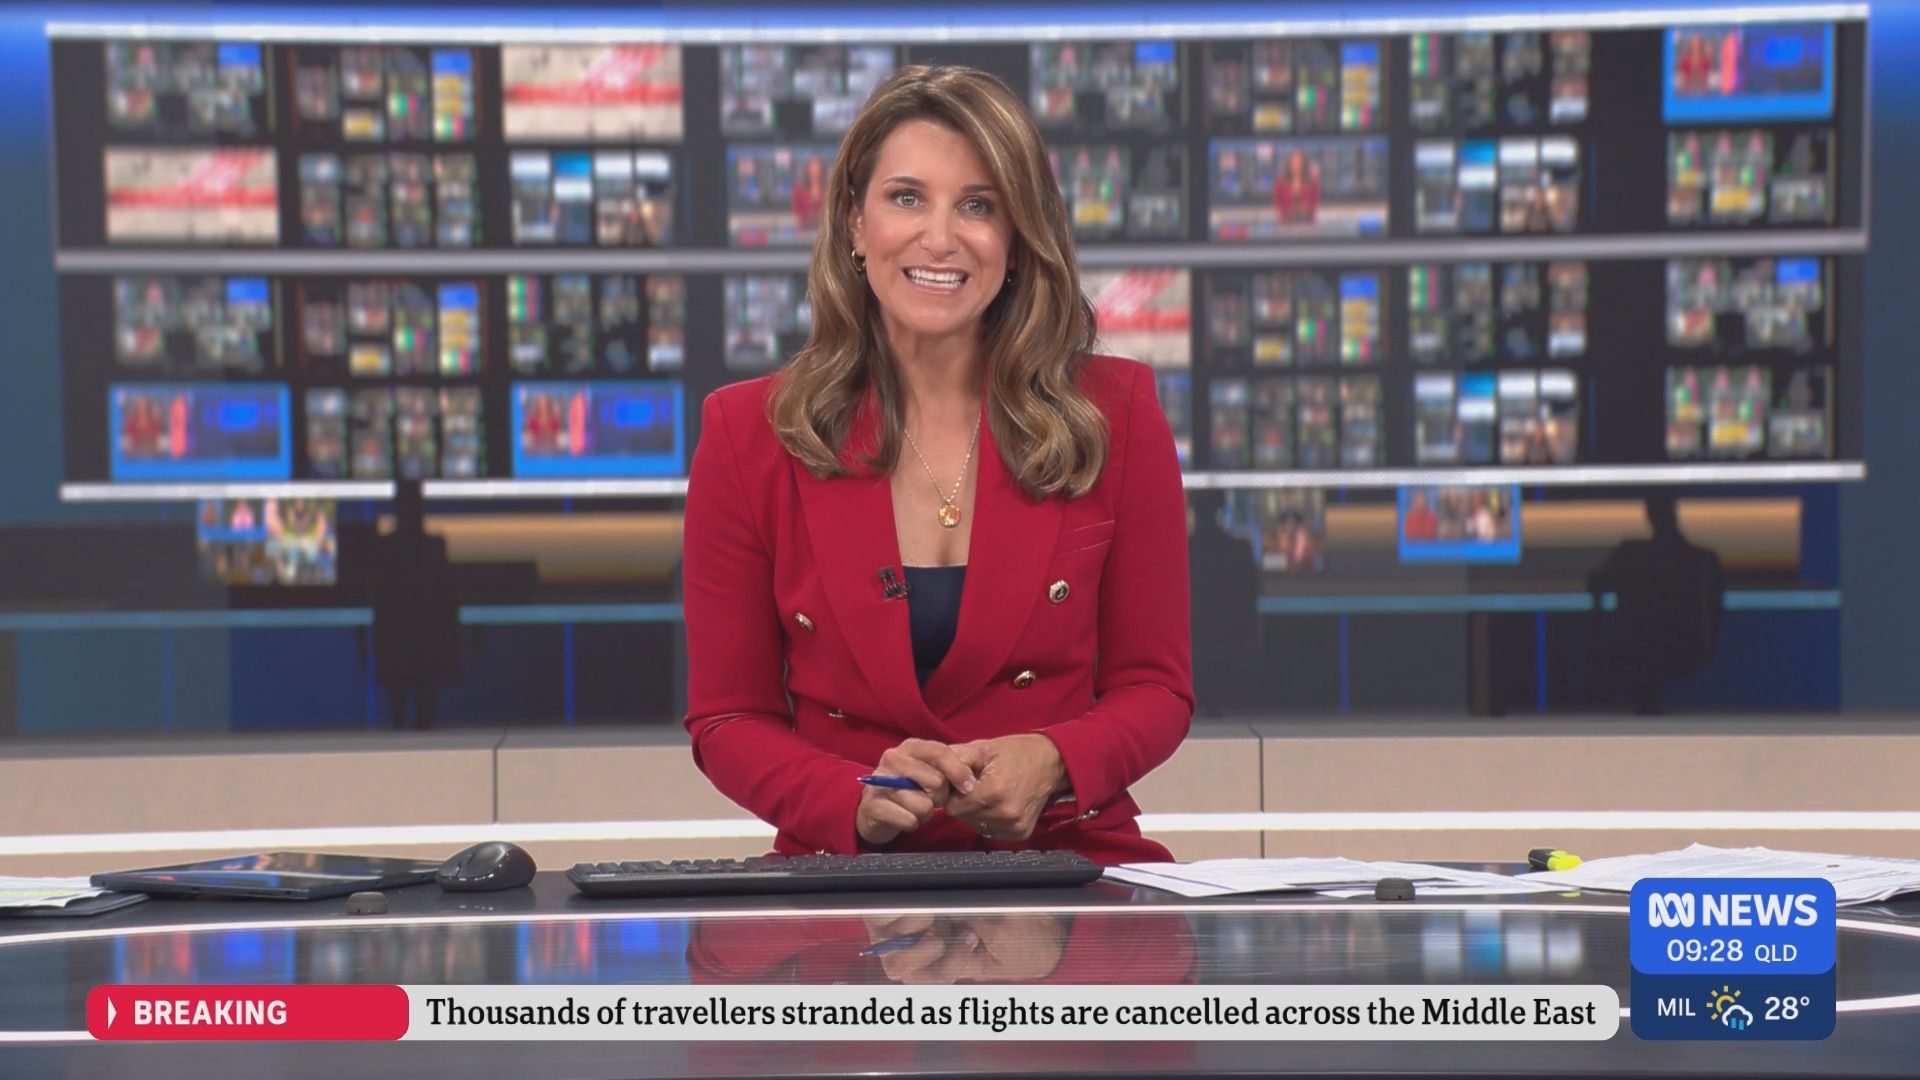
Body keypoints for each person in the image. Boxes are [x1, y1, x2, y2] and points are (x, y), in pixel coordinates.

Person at [681, 65, 1193, 864]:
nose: (941, 238)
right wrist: (849, 798)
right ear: (855, 224)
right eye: (907, 198)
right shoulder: (748, 434)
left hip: (1064, 862)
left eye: (978, 205)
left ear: (1018, 239)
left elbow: (1156, 689)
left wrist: (1053, 762)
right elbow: (727, 717)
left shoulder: (1115, 413)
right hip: (844, 878)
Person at [1587, 494, 1726, 715]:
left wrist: (1602, 640)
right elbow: (1597, 585)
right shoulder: (1698, 559)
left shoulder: (1698, 561)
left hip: (1661, 652)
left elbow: (1597, 586)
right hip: (1655, 653)